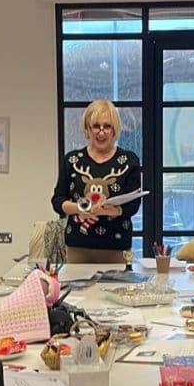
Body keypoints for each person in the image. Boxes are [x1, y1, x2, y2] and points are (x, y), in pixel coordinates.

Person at [51, 99, 143, 265]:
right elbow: (57, 201)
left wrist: (108, 211)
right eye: (96, 126)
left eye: (107, 126)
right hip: (78, 247)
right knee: (78, 291)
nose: (101, 132)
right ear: (87, 129)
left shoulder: (130, 161)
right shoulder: (71, 160)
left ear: (115, 130)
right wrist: (81, 208)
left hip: (116, 247)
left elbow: (133, 205)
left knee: (114, 291)